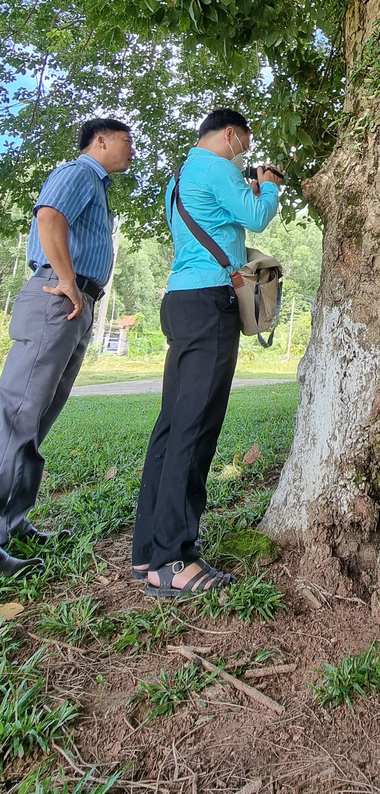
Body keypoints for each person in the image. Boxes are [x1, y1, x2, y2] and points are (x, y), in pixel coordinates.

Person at [132, 108, 282, 599]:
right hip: (210, 302)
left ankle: (148, 555)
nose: (244, 154)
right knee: (195, 430)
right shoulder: (218, 167)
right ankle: (174, 560)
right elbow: (256, 216)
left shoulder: (178, 178)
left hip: (179, 300)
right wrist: (270, 183)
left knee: (172, 425)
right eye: (244, 144)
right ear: (231, 134)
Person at [0, 118, 135, 576]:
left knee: (36, 420)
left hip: (76, 304)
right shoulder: (79, 174)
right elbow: (48, 217)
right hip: (57, 299)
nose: (131, 149)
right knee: (17, 416)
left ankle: (12, 521)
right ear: (100, 142)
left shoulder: (97, 187)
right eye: (125, 140)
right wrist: (64, 280)